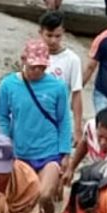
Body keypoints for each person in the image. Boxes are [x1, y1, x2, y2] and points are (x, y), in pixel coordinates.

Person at [0, 38, 73, 213]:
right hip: (21, 153)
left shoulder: (57, 88)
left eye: (41, 67)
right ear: (23, 61)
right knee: (23, 198)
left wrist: (65, 153)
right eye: (32, 67)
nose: (36, 71)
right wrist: (5, 144)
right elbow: (2, 117)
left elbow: (64, 120)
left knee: (43, 195)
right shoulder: (8, 85)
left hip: (49, 152)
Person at [40, 10, 84, 146]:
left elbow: (77, 94)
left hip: (59, 119)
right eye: (49, 35)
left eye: (57, 36)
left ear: (63, 33)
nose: (53, 40)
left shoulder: (72, 60)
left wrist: (77, 128)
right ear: (40, 32)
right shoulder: (34, 56)